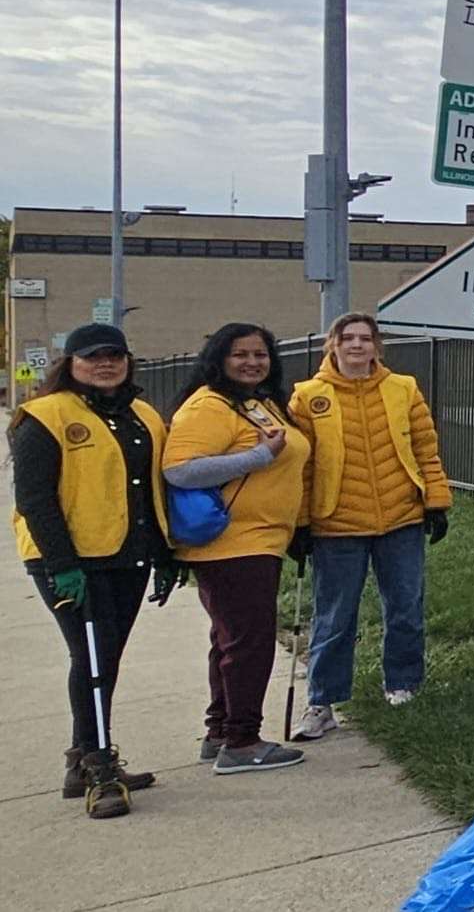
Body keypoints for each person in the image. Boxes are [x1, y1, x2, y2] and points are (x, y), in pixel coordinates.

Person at [10, 324, 172, 818]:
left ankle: (82, 757)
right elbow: (35, 500)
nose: (105, 364)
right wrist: (62, 565)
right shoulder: (43, 416)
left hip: (129, 554)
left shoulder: (143, 415)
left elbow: (152, 490)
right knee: (93, 659)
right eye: (93, 356)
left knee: (106, 657)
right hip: (71, 562)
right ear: (71, 362)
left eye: (115, 355)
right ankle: (98, 769)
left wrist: (165, 555)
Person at [286, 314, 453, 739]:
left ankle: (403, 684)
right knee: (335, 616)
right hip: (336, 524)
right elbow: (301, 468)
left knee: (405, 607)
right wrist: (301, 522)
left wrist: (435, 501)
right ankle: (322, 700)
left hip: (400, 518)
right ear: (333, 345)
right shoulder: (307, 397)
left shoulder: (404, 389)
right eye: (349, 338)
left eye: (366, 338)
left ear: (377, 346)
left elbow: (425, 449)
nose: (357, 346)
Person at [163, 323, 310, 774]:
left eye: (260, 354)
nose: (252, 362)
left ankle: (221, 731)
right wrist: (257, 458)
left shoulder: (253, 403)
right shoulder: (208, 405)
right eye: (240, 354)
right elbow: (180, 470)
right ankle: (242, 742)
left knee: (231, 640)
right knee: (249, 642)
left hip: (261, 539)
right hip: (231, 544)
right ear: (219, 359)